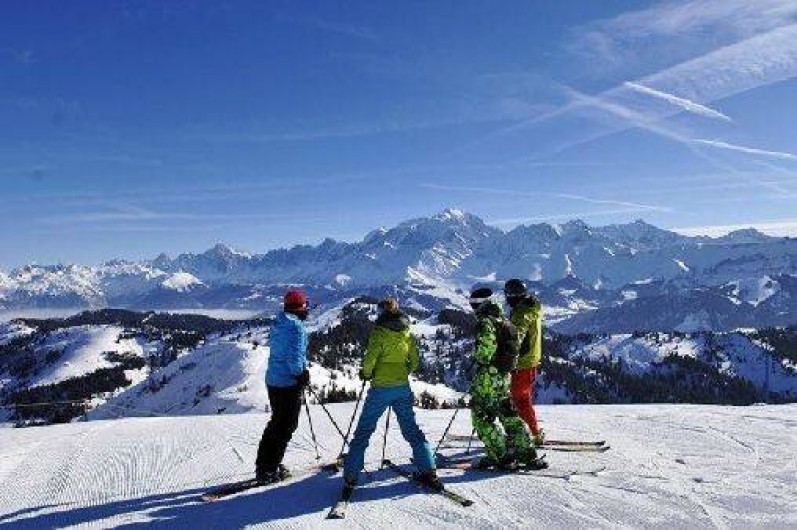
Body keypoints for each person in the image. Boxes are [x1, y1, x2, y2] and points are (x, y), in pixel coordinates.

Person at [342, 298, 439, 494]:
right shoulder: (406, 332)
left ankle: (351, 475)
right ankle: (428, 469)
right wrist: (403, 372)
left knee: (364, 430)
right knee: (411, 429)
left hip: (380, 389)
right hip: (402, 387)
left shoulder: (379, 334)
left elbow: (370, 360)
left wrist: (366, 374)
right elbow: (414, 361)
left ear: (382, 313)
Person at [469, 287, 546, 470]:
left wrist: (478, 359)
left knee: (481, 418)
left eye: (473, 304)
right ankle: (527, 454)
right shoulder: (505, 320)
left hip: (488, 378)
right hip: (505, 377)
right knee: (510, 415)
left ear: (480, 305)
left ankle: (500, 456)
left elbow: (485, 353)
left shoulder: (486, 323)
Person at [255, 288, 311, 483]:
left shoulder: (279, 322)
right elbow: (294, 358)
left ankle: (265, 466)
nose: (307, 310)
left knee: (276, 424)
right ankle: (269, 470)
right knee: (286, 426)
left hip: (274, 380)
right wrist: (301, 374)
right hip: (288, 383)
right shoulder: (297, 328)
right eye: (305, 306)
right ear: (300, 307)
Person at [504, 279, 546, 446]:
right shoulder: (530, 307)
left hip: (522, 362)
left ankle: (530, 434)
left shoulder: (522, 313)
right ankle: (527, 432)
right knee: (520, 399)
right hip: (530, 360)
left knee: (518, 399)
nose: (507, 299)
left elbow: (518, 334)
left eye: (508, 295)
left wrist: (507, 353)